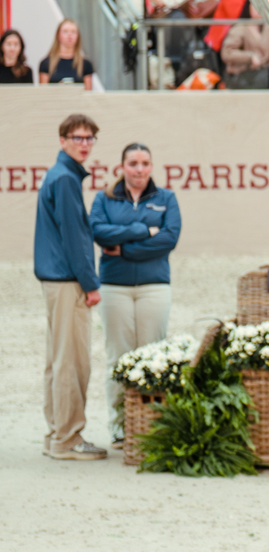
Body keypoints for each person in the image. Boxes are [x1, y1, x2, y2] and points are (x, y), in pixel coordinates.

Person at [89, 141, 180, 425]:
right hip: (115, 287)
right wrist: (142, 230)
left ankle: (151, 423)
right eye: (133, 164)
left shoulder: (167, 198)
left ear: (151, 167)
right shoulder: (104, 199)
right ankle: (120, 425)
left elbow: (169, 239)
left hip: (155, 287)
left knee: (153, 355)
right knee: (119, 357)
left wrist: (124, 248)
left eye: (144, 163)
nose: (139, 169)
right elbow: (100, 233)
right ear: (122, 167)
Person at [37, 113, 106, 459]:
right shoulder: (65, 179)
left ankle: (56, 433)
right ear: (62, 140)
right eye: (77, 137)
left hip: (56, 280)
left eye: (89, 138)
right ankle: (68, 439)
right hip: (67, 281)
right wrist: (91, 283)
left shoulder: (61, 174)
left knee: (57, 359)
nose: (84, 144)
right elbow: (75, 238)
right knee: (72, 361)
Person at [38, 19, 95, 88]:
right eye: (65, 32)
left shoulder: (86, 64)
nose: (69, 35)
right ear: (58, 35)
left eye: (73, 32)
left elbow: (87, 94)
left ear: (78, 36)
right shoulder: (46, 63)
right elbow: (43, 93)